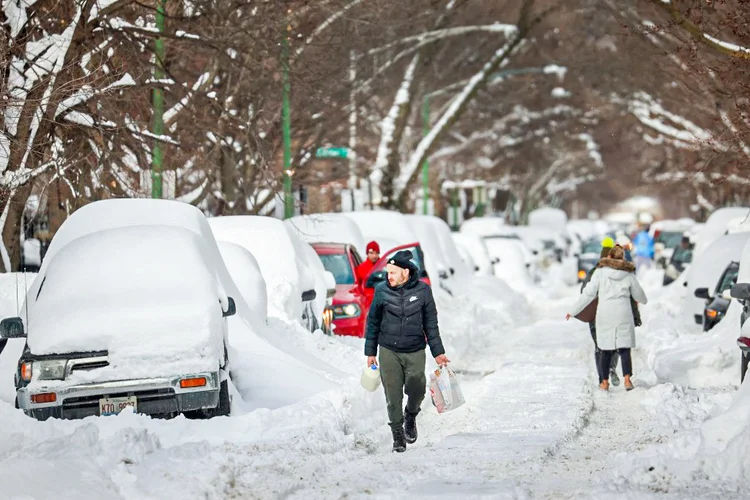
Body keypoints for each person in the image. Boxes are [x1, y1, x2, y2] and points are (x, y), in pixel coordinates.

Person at [364, 249, 450, 453]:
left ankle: (410, 415)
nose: (389, 276)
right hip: (388, 350)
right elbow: (373, 321)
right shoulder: (382, 290)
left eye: (393, 272)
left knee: (417, 387)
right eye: (387, 272)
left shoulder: (423, 291)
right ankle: (397, 435)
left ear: (405, 272)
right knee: (392, 395)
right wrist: (370, 352)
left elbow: (431, 324)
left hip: (414, 349)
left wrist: (437, 352)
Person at [567, 245, 648, 392]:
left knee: (605, 349)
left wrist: (573, 311)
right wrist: (644, 300)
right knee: (624, 349)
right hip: (623, 314)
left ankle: (604, 382)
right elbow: (639, 296)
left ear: (609, 257)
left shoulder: (599, 273)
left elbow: (588, 294)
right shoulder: (629, 275)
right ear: (622, 258)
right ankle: (627, 380)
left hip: (605, 314)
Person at [357, 241, 380, 307]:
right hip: (368, 302)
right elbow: (358, 286)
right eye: (371, 253)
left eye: (376, 253)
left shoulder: (384, 266)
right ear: (367, 253)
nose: (374, 256)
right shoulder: (361, 268)